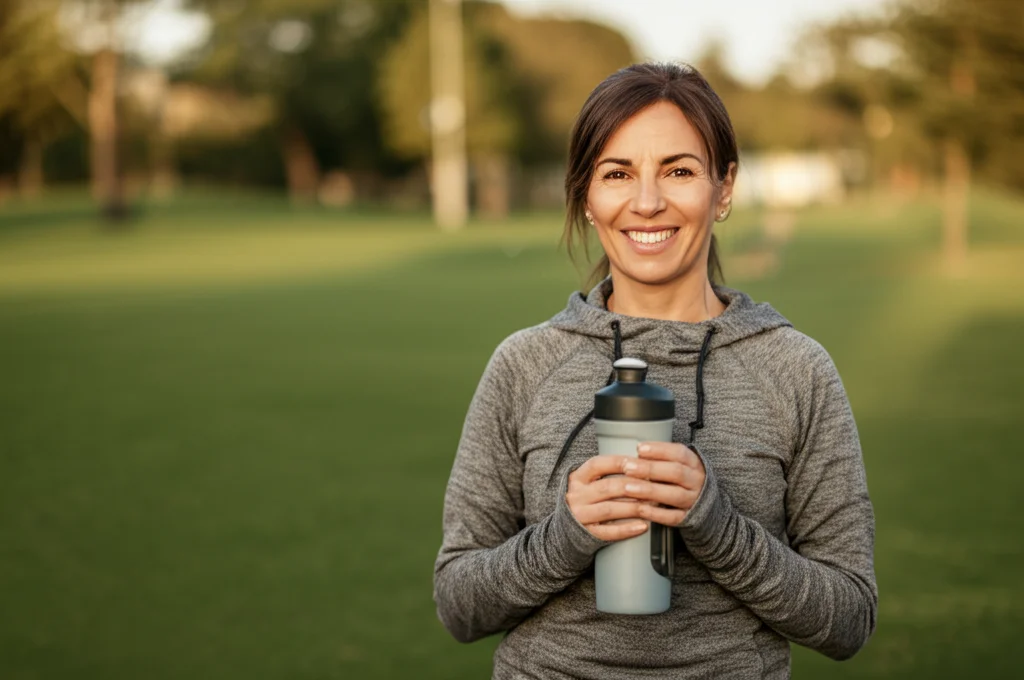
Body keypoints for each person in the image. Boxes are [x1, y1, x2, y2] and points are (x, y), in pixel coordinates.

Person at [433, 62, 877, 679]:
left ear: (723, 189)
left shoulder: (795, 369)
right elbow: (459, 605)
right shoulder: (524, 364)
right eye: (617, 174)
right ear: (586, 196)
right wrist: (568, 534)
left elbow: (849, 618)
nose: (647, 202)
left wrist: (716, 523)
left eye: (679, 171)